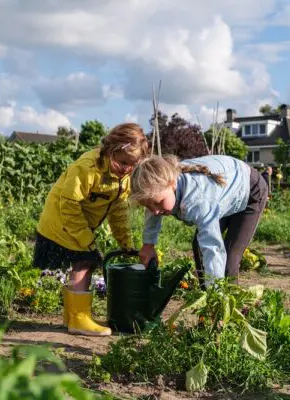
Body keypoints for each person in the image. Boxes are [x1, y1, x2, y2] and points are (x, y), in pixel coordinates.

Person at [33, 122, 148, 337]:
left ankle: (72, 317)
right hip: (62, 220)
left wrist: (126, 243)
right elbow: (69, 203)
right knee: (85, 260)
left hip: (76, 223)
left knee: (84, 260)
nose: (126, 169)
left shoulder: (123, 179)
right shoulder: (88, 167)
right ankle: (79, 320)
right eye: (123, 162)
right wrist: (85, 238)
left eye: (132, 165)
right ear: (111, 149)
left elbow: (118, 212)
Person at [131, 154, 268, 289]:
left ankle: (224, 297)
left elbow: (212, 247)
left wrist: (215, 291)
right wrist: (148, 245)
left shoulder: (198, 200)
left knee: (228, 259)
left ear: (172, 184)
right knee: (199, 246)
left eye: (159, 202)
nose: (155, 211)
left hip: (249, 189)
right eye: (148, 206)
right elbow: (153, 210)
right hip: (221, 190)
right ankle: (207, 292)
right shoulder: (160, 190)